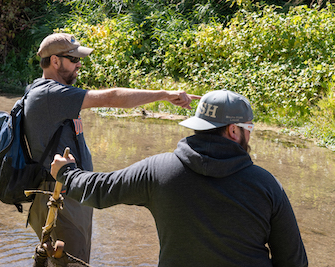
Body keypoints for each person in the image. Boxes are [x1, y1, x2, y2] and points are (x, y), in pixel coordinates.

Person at [50, 89, 308, 267]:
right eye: (249, 129)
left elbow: (99, 191)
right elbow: (294, 262)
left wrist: (66, 173)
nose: (250, 136)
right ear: (233, 130)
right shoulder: (267, 185)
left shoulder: (159, 170)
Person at [24, 32, 200, 265]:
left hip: (66, 192)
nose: (79, 65)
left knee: (66, 261)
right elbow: (113, 97)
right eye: (74, 60)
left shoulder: (45, 90)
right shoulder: (50, 93)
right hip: (59, 197)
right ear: (55, 61)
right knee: (73, 263)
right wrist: (165, 95)